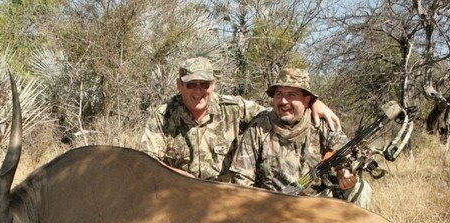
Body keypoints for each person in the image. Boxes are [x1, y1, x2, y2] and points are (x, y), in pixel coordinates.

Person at [139, 57, 341, 181]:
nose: (199, 91)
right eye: (191, 84)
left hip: (225, 198)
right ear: (179, 85)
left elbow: (280, 111)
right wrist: (180, 178)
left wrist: (313, 102)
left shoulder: (235, 108)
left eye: (205, 84)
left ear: (214, 85)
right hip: (180, 194)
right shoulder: (163, 115)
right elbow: (145, 163)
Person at [230, 67, 372, 208]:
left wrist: (345, 172)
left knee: (361, 190)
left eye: (292, 95)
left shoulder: (321, 124)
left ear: (307, 100)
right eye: (279, 94)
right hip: (273, 208)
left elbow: (347, 154)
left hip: (317, 202)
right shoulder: (258, 127)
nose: (284, 101)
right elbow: (242, 180)